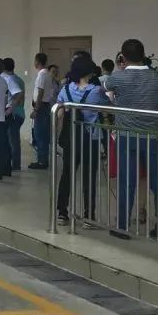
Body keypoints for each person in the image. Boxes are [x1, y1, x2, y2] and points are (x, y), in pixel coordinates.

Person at [106, 39, 158, 241]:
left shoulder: (117, 78)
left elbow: (108, 95)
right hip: (152, 136)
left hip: (127, 136)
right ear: (144, 55)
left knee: (127, 182)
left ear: (122, 57)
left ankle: (123, 226)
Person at [55, 59, 108, 227]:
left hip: (71, 138)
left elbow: (59, 112)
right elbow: (108, 106)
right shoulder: (96, 91)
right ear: (89, 72)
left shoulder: (65, 89)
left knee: (67, 175)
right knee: (89, 176)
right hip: (90, 138)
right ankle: (88, 216)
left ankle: (62, 213)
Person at [30, 53, 57, 169]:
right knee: (43, 135)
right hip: (45, 106)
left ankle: (42, 161)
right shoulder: (47, 74)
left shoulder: (42, 75)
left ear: (37, 61)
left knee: (39, 134)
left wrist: (36, 109)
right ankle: (43, 159)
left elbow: (40, 92)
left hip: (41, 107)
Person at [1, 58, 26, 172]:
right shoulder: (18, 79)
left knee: (12, 140)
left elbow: (19, 94)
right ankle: (14, 163)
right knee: (13, 139)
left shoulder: (8, 79)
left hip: (14, 114)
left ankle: (15, 165)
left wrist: (11, 108)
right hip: (20, 113)